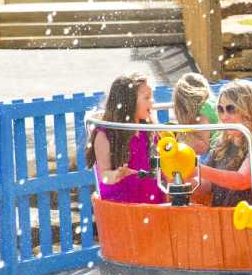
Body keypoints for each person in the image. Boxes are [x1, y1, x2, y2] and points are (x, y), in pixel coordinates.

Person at [193, 80, 252, 208]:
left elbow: (242, 180)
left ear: (250, 110)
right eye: (220, 109)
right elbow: (207, 186)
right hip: (226, 221)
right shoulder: (222, 145)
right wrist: (180, 175)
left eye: (231, 109)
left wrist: (197, 169)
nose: (224, 117)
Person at [86, 73, 164, 204]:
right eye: (147, 98)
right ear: (129, 102)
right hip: (123, 207)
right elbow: (104, 174)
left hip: (152, 204)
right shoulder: (106, 135)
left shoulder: (149, 129)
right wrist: (116, 175)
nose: (152, 101)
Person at [172, 72, 219, 156]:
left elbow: (202, 147)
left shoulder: (202, 112)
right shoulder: (210, 103)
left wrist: (178, 143)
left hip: (216, 157)